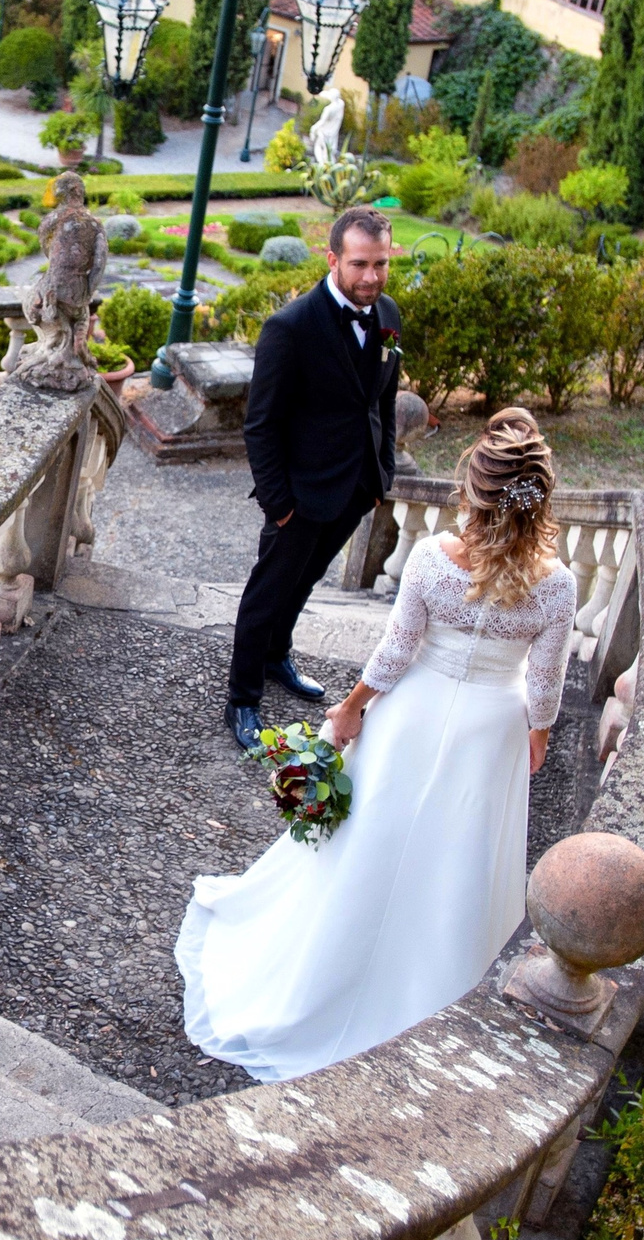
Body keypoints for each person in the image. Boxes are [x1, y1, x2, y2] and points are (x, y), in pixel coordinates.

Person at [179, 410, 577, 1081]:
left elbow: (397, 651)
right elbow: (544, 684)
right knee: (457, 862)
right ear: (539, 500)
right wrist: (536, 737)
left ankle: (329, 969)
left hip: (410, 718)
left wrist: (351, 709)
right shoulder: (558, 585)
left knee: (367, 846)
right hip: (491, 734)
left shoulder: (430, 559)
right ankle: (436, 997)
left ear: (471, 491)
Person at [225, 205, 405, 753]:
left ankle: (278, 656)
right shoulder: (290, 327)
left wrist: (385, 469)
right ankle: (242, 699)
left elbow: (385, 396)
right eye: (359, 264)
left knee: (305, 582)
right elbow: (260, 424)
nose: (371, 276)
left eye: (380, 263)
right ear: (332, 260)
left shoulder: (388, 314)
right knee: (268, 590)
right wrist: (280, 504)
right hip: (299, 495)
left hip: (355, 487)